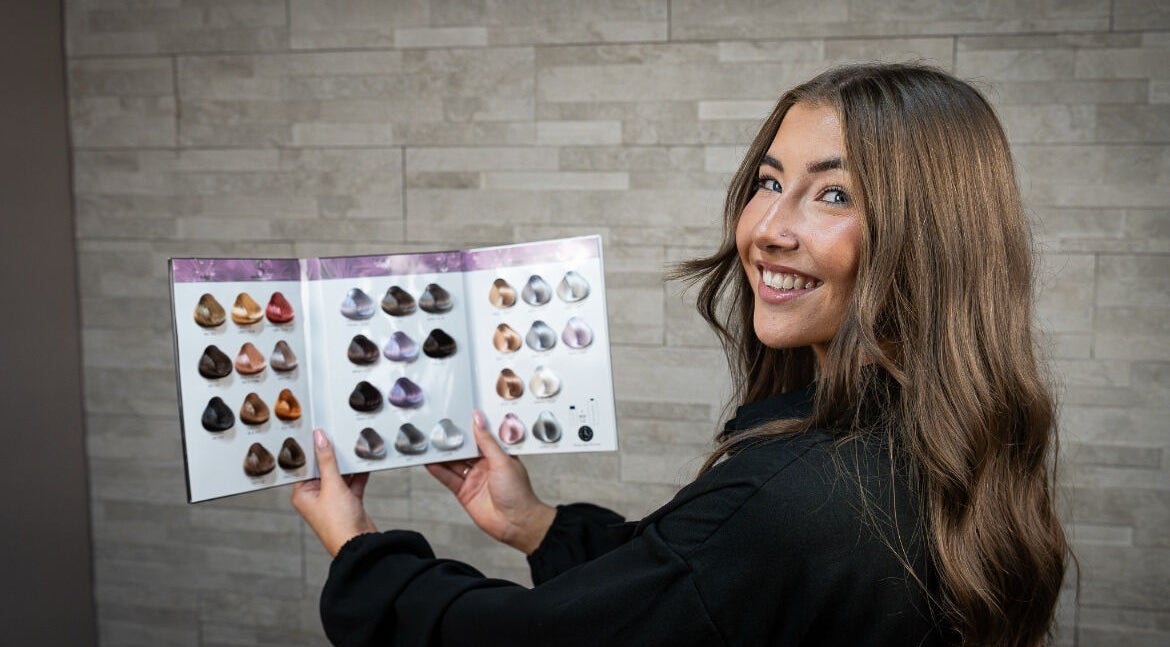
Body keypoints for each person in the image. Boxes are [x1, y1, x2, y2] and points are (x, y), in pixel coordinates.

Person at [292, 63, 1069, 646]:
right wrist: (539, 524)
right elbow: (699, 587)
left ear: (928, 238)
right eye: (769, 181)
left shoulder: (788, 497)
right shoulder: (943, 443)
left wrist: (360, 548)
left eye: (834, 194)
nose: (769, 226)